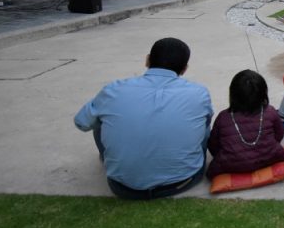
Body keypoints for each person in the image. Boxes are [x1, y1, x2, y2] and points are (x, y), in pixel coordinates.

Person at [74, 37, 212, 200]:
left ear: (147, 60)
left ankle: (119, 161)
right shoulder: (199, 93)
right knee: (202, 123)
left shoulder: (114, 90)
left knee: (99, 116)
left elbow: (82, 122)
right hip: (183, 181)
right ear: (184, 69)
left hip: (122, 185)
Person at [206, 70, 284, 180]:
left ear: (233, 95)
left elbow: (213, 146)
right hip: (269, 158)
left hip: (231, 164)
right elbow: (279, 135)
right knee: (280, 152)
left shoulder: (223, 117)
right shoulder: (270, 112)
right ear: (263, 93)